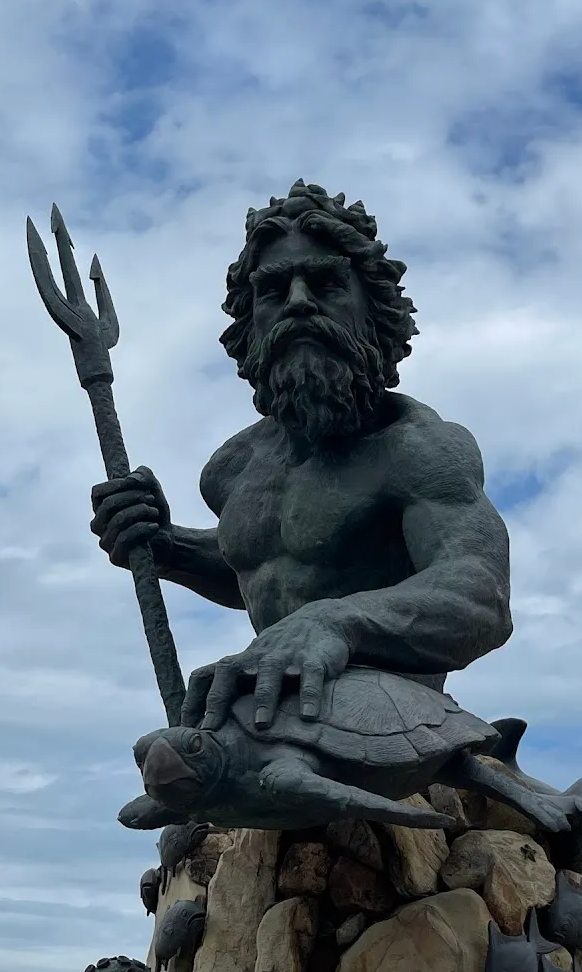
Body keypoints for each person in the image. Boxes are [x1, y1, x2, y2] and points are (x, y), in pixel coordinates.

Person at [90, 180, 511, 734]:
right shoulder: (233, 469)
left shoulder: (418, 449)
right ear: (251, 321)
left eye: (326, 283)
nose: (298, 302)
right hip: (272, 717)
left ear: (374, 312)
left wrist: (336, 622)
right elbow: (273, 566)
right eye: (273, 291)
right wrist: (166, 548)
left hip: (395, 725)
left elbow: (481, 596)